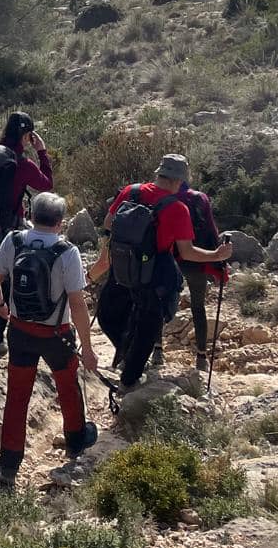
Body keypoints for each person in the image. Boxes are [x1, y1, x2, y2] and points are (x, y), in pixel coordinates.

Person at [88, 154, 233, 390]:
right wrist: (217, 255)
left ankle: (125, 352)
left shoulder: (130, 192)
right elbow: (186, 252)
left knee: (107, 315)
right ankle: (130, 379)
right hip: (154, 275)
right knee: (149, 327)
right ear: (179, 181)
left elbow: (107, 222)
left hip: (123, 267)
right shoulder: (177, 208)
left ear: (159, 173)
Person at [0, 192, 99, 488]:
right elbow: (77, 304)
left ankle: (8, 467)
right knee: (67, 387)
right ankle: (76, 442)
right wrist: (87, 349)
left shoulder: (14, 241)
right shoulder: (67, 251)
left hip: (20, 332)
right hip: (56, 336)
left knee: (17, 397)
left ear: (29, 214)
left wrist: (1, 306)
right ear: (61, 223)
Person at [0, 112, 56, 358]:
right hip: (9, 229)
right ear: (28, 135)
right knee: (5, 280)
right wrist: (42, 152)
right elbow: (46, 184)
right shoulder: (23, 163)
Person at [159, 178, 227, 372]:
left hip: (169, 259)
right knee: (198, 307)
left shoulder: (164, 198)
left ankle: (157, 351)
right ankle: (201, 357)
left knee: (159, 302)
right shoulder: (200, 198)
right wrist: (217, 261)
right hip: (196, 259)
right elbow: (211, 231)